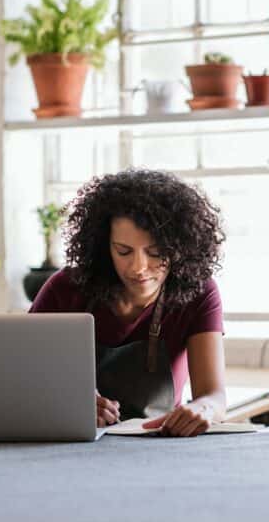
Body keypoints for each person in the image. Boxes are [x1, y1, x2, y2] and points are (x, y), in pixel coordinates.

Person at [30, 168, 226, 437]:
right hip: (74, 443)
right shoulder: (64, 289)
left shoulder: (199, 292)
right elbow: (25, 382)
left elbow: (214, 396)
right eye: (123, 251)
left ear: (181, 247)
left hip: (161, 445)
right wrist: (67, 402)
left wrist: (203, 408)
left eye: (155, 253)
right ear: (103, 246)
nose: (138, 267)